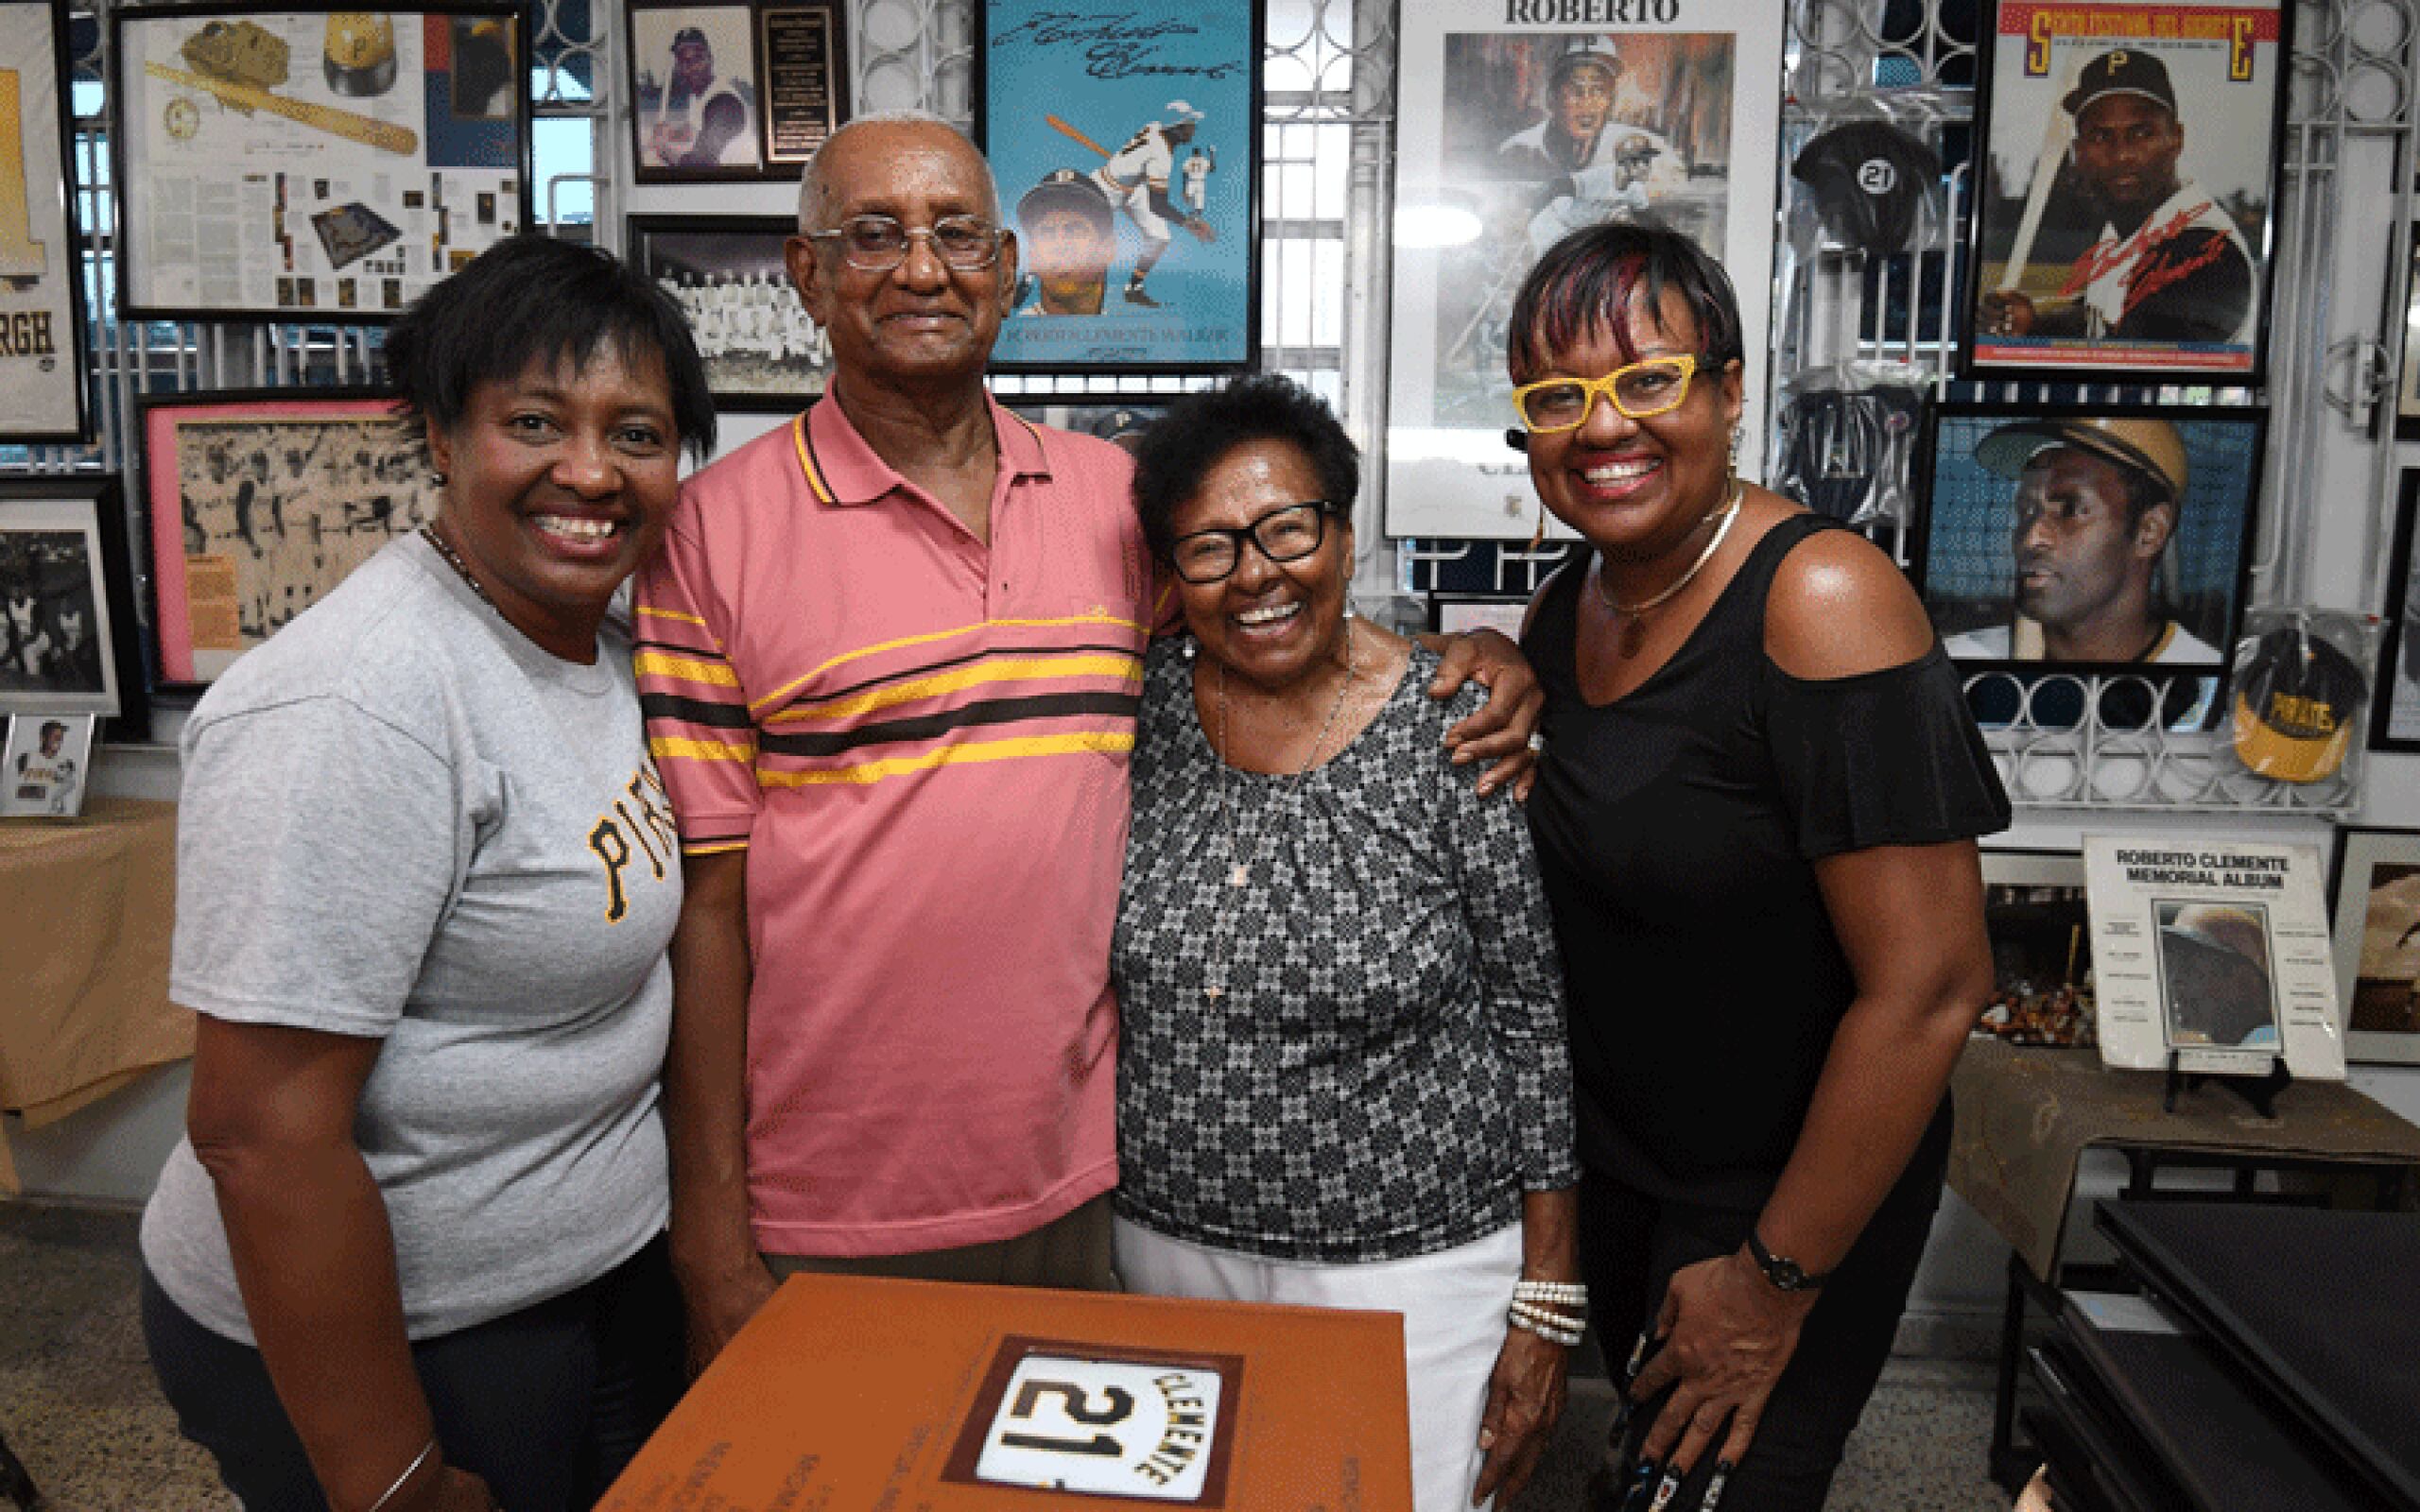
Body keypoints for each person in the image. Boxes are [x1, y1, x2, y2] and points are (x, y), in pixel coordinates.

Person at [630, 111, 1540, 1375]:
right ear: (806, 277)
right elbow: (706, 912)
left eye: (957, 236)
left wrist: (1474, 659)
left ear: (1008, 269)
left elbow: (1271, 621)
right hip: (824, 1198)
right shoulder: (712, 532)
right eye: (875, 237)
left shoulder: (1113, 504)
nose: (922, 269)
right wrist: (710, 1234)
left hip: (1084, 1181)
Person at [137, 234, 716, 1512]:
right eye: (534, 421)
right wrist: (389, 1477)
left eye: (637, 433)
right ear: (444, 439)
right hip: (409, 1344)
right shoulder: (361, 703)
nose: (590, 472)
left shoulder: (596, 643)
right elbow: (257, 1135)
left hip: (590, 1279)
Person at [1508, 222, 2009, 1510]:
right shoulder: (1572, 607)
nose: (1603, 426)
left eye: (1650, 379)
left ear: (1730, 392)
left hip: (1785, 1204)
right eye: (1559, 397)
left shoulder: (1823, 598)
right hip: (1628, 1179)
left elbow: (1935, 987)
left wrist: (1773, 1282)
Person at [1115, 375, 1580, 1512]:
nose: (1258, 573)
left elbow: (1532, 1020)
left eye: (1286, 528)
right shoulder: (1135, 712)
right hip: (1163, 1254)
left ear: (1342, 527)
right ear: (1172, 574)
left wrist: (1547, 1296)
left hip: (1412, 1275)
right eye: (1210, 547)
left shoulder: (1453, 722)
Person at [1979, 49, 2255, 347]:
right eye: (2100, 136)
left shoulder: (2204, 245)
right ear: (2078, 151)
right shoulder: (2127, 231)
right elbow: (2101, 319)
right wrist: (2032, 324)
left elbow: (2134, 360)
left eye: (2141, 133)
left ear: (2176, 138)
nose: (2121, 155)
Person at [1941, 415, 2221, 665]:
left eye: (2070, 510)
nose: (2031, 538)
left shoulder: (2207, 685)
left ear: (2149, 531)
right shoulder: (1958, 665)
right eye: (2026, 510)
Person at [1087, 100, 1217, 309]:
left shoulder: (1155, 126)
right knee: (1083, 238)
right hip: (1105, 188)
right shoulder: (1161, 156)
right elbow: (1158, 205)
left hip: (1133, 186)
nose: (1193, 129)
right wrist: (1189, 223)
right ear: (1176, 128)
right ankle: (1030, 276)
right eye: (1189, 124)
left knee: (1160, 237)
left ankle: (1133, 289)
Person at [2158, 904, 2278, 1047]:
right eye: (2175, 964)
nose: (2176, 980)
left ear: (2244, 979)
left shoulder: (2268, 1045)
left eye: (2191, 966)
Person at [641, 26, 754, 170]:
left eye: (697, 58)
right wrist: (670, 133)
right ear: (678, 66)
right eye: (683, 60)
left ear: (711, 60)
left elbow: (702, 163)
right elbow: (693, 130)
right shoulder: (698, 96)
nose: (691, 67)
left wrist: (664, 151)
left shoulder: (724, 102)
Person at [1014, 168, 1117, 316]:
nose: (1060, 245)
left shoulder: (1130, 334)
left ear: (1108, 248)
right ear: (1032, 255)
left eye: (1075, 231)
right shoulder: (1009, 335)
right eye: (1046, 233)